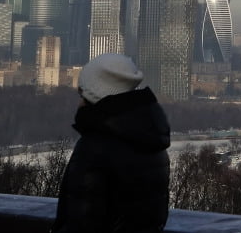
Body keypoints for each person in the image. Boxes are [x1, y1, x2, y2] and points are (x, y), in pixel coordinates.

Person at [53, 53, 171, 233]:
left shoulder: (94, 148)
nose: (79, 102)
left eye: (82, 94)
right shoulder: (153, 142)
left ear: (96, 95)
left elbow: (82, 222)